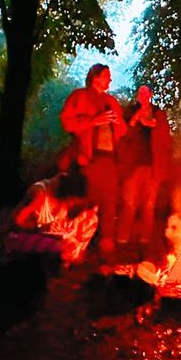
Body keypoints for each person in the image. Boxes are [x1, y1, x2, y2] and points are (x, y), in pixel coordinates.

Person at [59, 64, 127, 259]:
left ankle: (106, 245)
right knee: (86, 200)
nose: (110, 80)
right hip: (89, 157)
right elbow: (67, 122)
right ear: (95, 77)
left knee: (110, 200)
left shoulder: (111, 101)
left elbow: (122, 131)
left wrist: (117, 123)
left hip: (109, 159)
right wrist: (93, 121)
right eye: (107, 76)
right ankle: (76, 245)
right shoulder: (79, 96)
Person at [116, 85, 173, 257]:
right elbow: (122, 135)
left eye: (146, 93)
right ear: (137, 96)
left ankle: (144, 243)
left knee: (149, 205)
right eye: (140, 93)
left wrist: (151, 123)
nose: (143, 96)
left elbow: (164, 139)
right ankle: (122, 241)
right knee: (129, 203)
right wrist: (135, 119)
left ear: (151, 95)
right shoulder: (130, 111)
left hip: (153, 167)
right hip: (132, 166)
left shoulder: (158, 113)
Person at [8, 171, 99, 265]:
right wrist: (42, 230)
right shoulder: (40, 194)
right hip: (21, 238)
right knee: (61, 248)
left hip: (53, 238)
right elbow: (16, 222)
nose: (73, 204)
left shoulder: (71, 204)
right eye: (73, 201)